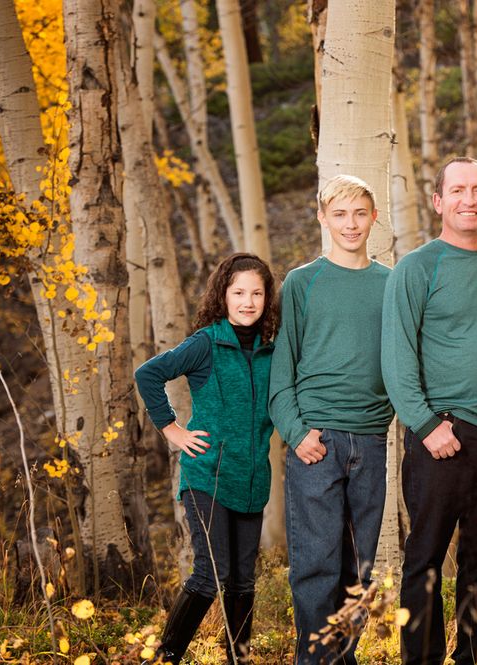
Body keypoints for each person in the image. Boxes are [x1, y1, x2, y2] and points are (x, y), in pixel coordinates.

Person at [381, 157, 477, 665]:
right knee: (425, 562)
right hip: (441, 435)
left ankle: (475, 658)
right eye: (457, 190)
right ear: (438, 202)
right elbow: (396, 359)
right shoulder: (416, 268)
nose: (469, 199)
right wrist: (426, 425)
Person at [268, 174, 393, 664]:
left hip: (372, 439)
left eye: (360, 213)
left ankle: (341, 658)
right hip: (316, 442)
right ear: (322, 218)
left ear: (374, 218)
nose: (350, 224)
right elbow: (282, 372)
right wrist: (297, 434)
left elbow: (403, 361)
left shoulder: (391, 282)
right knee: (315, 565)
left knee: (359, 570)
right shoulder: (303, 282)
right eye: (339, 214)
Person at [135, 253, 280, 665]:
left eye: (256, 293)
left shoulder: (273, 349)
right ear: (224, 295)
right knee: (210, 573)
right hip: (206, 475)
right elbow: (148, 374)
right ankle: (165, 657)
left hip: (252, 478)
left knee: (242, 580)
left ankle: (240, 658)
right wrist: (172, 430)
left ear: (267, 299)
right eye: (238, 293)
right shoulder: (206, 342)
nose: (248, 302)